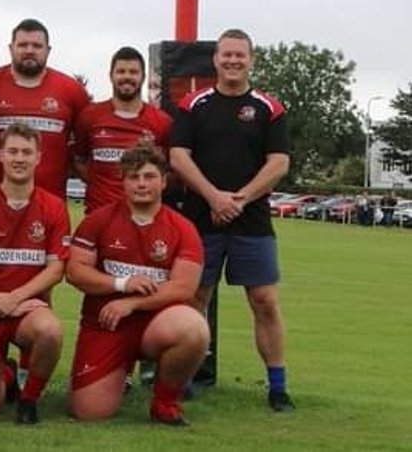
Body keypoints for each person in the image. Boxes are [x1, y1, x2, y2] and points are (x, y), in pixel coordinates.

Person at [169, 28, 295, 412]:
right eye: (226, 55)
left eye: (240, 55)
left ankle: (277, 386)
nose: (233, 61)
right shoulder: (194, 104)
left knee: (264, 301)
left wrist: (239, 199)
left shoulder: (269, 108)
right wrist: (214, 197)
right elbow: (178, 156)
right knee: (194, 297)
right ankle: (183, 379)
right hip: (201, 218)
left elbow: (279, 163)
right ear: (216, 59)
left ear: (251, 59)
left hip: (251, 221)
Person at [66, 146, 209, 426]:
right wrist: (121, 284)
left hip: (156, 324)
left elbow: (183, 288)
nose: (141, 183)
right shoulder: (98, 220)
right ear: (123, 181)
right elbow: (75, 272)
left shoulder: (183, 228)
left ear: (164, 181)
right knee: (88, 412)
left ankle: (164, 402)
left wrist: (132, 303)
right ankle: (118, 371)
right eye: (133, 177)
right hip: (106, 323)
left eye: (149, 176)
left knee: (194, 329)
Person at [0, 123, 69, 425]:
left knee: (50, 331)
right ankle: (6, 372)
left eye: (27, 152)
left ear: (39, 158)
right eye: (14, 151)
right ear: (1, 156)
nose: (20, 158)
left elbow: (56, 268)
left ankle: (29, 399)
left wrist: (15, 298)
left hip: (25, 309)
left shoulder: (54, 206)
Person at [0, 18, 89, 197]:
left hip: (50, 204)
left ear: (48, 50)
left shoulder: (72, 90)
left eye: (36, 46)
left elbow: (84, 148)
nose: (29, 51)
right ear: (11, 48)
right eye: (23, 45)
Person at [73, 47, 171, 214]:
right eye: (121, 71)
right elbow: (78, 160)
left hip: (144, 216)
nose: (127, 77)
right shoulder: (89, 116)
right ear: (111, 76)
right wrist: (101, 184)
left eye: (133, 72)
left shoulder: (162, 121)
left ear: (143, 77)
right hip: (99, 214)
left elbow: (169, 170)